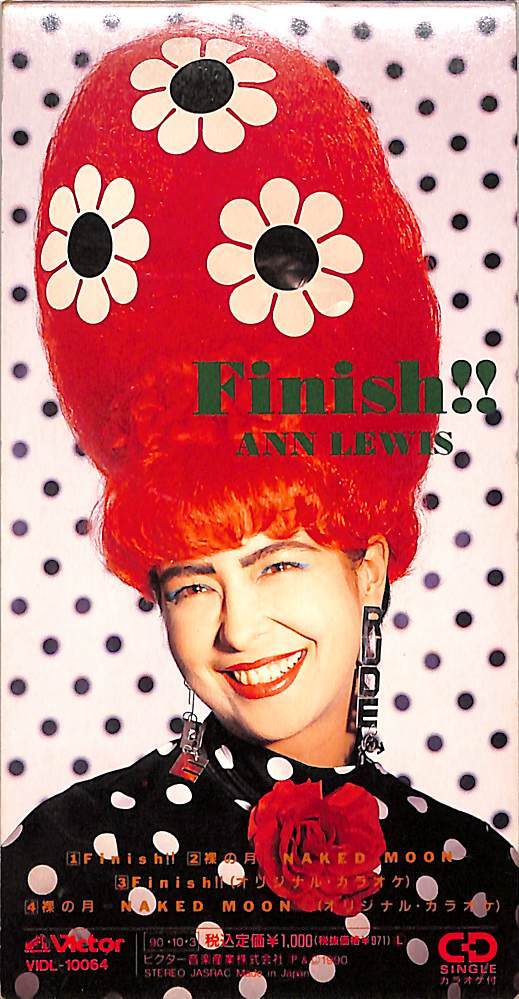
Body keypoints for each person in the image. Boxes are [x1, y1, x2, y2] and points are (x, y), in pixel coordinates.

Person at [2, 21, 517, 999]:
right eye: (192, 582)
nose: (237, 628)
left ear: (369, 570)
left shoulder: (474, 882)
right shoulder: (70, 861)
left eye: (277, 561)